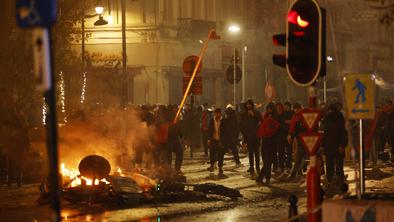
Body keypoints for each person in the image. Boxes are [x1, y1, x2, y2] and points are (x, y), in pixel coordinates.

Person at [0, 89, 29, 188]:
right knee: (12, 166)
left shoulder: (21, 127)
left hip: (18, 148)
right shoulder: (13, 126)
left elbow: (25, 136)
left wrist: (26, 146)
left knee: (17, 166)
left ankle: (17, 182)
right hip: (13, 147)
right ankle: (12, 183)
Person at [322, 103, 348, 187]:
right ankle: (339, 180)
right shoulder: (340, 118)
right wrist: (342, 145)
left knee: (329, 164)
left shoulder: (326, 119)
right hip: (338, 145)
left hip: (329, 145)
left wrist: (323, 145)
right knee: (339, 164)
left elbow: (324, 133)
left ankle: (330, 180)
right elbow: (343, 133)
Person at [256, 103, 280, 184]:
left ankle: (264, 178)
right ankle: (264, 178)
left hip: (272, 141)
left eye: (269, 108)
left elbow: (277, 127)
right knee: (267, 161)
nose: (268, 110)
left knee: (269, 161)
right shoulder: (265, 116)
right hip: (266, 140)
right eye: (267, 108)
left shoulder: (276, 117)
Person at [240, 99, 262, 176]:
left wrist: (254, 115)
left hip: (256, 136)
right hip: (248, 136)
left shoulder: (256, 113)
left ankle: (258, 166)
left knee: (256, 152)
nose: (248, 106)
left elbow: (261, 121)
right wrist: (244, 135)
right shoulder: (244, 115)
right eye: (247, 104)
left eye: (249, 104)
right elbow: (242, 126)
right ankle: (251, 167)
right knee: (250, 152)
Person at [287, 103, 307, 181]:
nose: (295, 110)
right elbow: (291, 128)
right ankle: (295, 173)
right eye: (294, 109)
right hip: (300, 140)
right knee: (299, 157)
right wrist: (290, 135)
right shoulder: (295, 117)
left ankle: (296, 172)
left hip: (306, 140)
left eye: (296, 109)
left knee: (302, 157)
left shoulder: (303, 115)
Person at [207, 108, 226, 177]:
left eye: (219, 113)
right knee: (212, 152)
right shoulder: (212, 120)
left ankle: (220, 168)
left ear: (220, 113)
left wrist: (222, 141)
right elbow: (209, 130)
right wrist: (209, 139)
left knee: (221, 154)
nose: (217, 114)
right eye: (216, 113)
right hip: (213, 140)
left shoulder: (223, 121)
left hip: (221, 140)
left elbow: (225, 132)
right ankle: (212, 165)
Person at [283, 102, 294, 171]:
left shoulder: (292, 113)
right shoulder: (283, 113)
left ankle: (289, 165)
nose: (285, 108)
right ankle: (286, 164)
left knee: (289, 150)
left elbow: (293, 122)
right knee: (284, 151)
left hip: (290, 134)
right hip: (284, 134)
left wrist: (290, 121)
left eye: (286, 106)